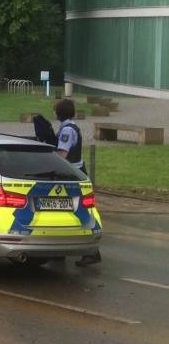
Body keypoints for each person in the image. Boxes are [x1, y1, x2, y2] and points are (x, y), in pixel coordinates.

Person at [53, 98, 101, 266]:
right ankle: (60, 250)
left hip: (71, 176)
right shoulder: (70, 127)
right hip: (74, 174)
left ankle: (92, 252)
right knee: (64, 213)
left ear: (59, 113)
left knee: (80, 213)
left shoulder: (67, 130)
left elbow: (62, 155)